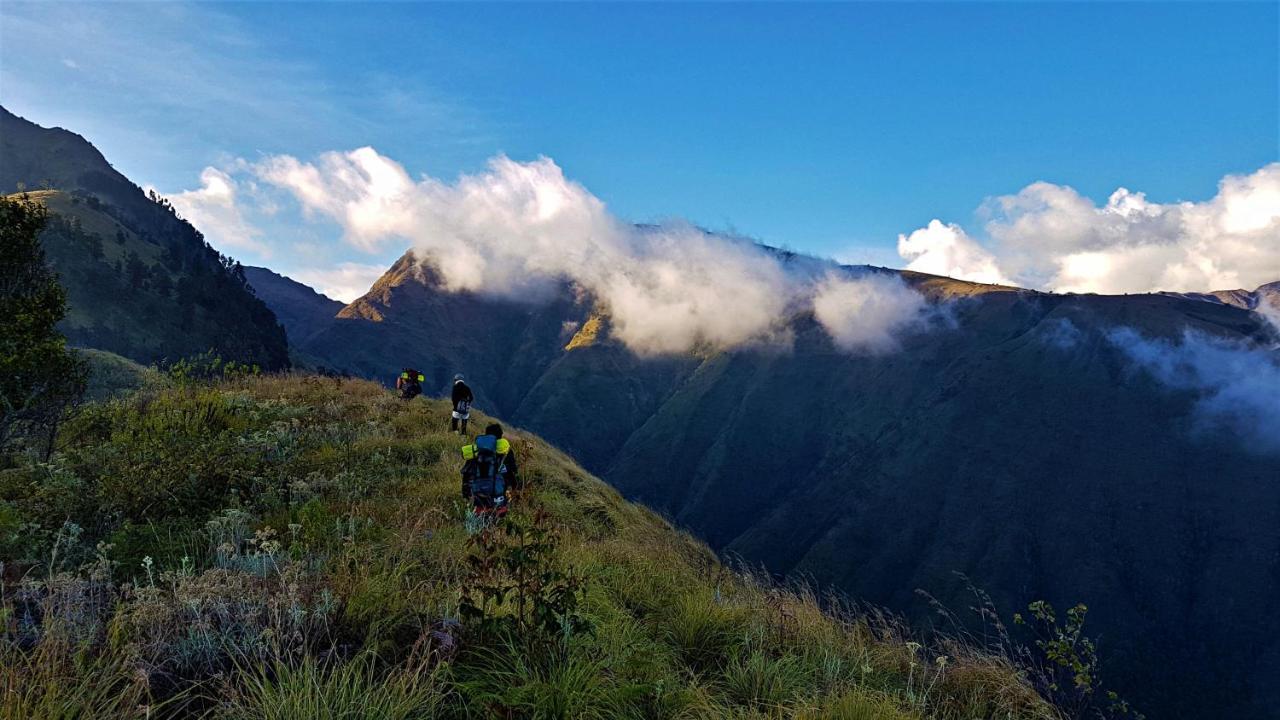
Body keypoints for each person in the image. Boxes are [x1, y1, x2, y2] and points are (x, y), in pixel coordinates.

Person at [460, 423, 519, 518]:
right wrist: (516, 492)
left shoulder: (476, 452)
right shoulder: (505, 451)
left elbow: (466, 475)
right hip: (499, 500)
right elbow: (513, 473)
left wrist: (466, 496)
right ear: (500, 437)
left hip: (477, 500)